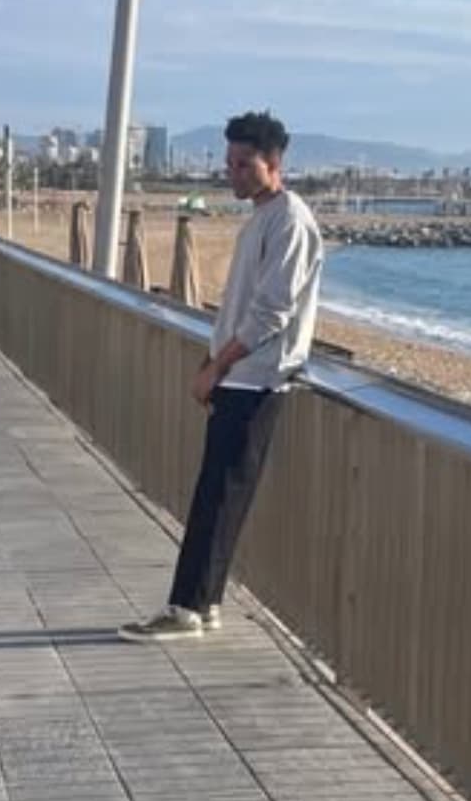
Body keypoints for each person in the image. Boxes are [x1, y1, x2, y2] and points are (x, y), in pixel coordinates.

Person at [119, 110, 323, 642]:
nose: (232, 172)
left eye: (243, 163)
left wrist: (218, 365)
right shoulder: (262, 217)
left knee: (221, 498)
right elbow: (245, 307)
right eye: (229, 163)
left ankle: (186, 609)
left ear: (273, 163)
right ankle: (203, 602)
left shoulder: (290, 221)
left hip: (257, 380)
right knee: (217, 495)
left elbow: (271, 312)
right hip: (239, 375)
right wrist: (214, 362)